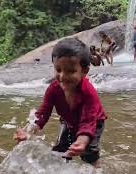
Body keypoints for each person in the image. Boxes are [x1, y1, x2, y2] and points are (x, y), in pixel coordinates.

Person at [15, 38, 107, 166]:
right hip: (68, 119)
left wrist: (82, 140)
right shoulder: (53, 88)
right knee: (60, 150)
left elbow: (88, 121)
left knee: (88, 152)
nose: (62, 76)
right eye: (58, 70)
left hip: (94, 121)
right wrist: (28, 131)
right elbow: (43, 113)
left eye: (70, 71)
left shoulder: (88, 92)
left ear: (85, 71)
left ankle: (97, 171)